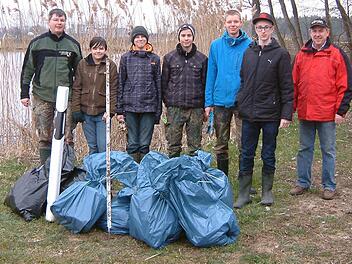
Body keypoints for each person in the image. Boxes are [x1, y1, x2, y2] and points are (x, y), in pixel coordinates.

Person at [234, 13, 293, 208]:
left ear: (272, 29)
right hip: (249, 114)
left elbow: (286, 86)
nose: (263, 31)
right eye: (259, 28)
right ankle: (244, 193)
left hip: (270, 114)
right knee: (246, 153)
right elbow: (244, 80)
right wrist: (241, 101)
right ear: (255, 30)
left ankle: (267, 191)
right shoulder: (248, 52)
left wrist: (286, 113)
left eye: (266, 27)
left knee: (268, 153)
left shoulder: (281, 54)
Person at [290, 18, 352, 200]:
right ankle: (302, 182)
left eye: (321, 31)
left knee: (328, 150)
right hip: (306, 111)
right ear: (310, 33)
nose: (317, 34)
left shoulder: (336, 54)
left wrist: (341, 110)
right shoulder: (301, 54)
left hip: (327, 112)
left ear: (327, 33)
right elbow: (293, 83)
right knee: (304, 149)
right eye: (314, 31)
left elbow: (346, 85)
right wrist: (290, 109)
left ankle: (329, 185)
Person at [20, 8, 82, 164]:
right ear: (49, 22)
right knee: (45, 135)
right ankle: (45, 170)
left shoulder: (73, 45)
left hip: (66, 97)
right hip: (42, 95)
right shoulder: (37, 44)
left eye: (62, 20)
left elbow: (81, 74)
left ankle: (67, 168)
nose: (59, 23)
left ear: (65, 23)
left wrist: (79, 97)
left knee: (67, 134)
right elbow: (27, 69)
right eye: (56, 20)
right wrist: (24, 93)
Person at [205, 9, 252, 177]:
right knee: (221, 142)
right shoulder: (216, 45)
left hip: (242, 101)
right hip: (220, 101)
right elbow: (211, 73)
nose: (233, 24)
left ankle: (244, 178)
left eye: (236, 21)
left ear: (241, 23)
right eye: (229, 22)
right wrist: (208, 102)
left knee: (244, 141)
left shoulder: (250, 44)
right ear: (225, 24)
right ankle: (222, 178)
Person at [161, 24, 208, 158]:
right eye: (183, 35)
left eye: (189, 35)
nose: (186, 38)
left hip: (196, 108)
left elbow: (205, 84)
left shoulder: (202, 59)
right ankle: (173, 173)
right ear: (179, 37)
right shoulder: (169, 58)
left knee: (195, 146)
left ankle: (194, 175)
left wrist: (205, 107)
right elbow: (164, 83)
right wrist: (168, 103)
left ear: (193, 37)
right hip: (175, 108)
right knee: (173, 145)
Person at [116, 26, 161, 163]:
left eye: (143, 37)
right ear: (133, 40)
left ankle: (143, 173)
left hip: (149, 107)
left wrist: (158, 111)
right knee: (133, 144)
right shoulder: (125, 58)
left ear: (147, 39)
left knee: (144, 144)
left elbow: (158, 85)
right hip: (130, 107)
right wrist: (119, 109)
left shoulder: (155, 59)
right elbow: (120, 83)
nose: (140, 39)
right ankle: (132, 174)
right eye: (137, 37)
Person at [71, 37, 118, 155]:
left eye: (101, 48)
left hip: (102, 114)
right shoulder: (82, 64)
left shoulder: (110, 65)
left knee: (103, 148)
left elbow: (114, 90)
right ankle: (93, 171)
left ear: (105, 50)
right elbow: (76, 87)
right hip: (86, 113)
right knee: (92, 146)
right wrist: (76, 110)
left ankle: (103, 171)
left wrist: (111, 111)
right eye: (95, 48)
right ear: (90, 49)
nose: (98, 51)